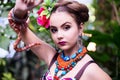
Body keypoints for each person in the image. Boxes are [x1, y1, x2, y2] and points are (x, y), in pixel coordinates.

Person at [8, 0, 112, 80]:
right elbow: (19, 27)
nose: (59, 35)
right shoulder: (51, 57)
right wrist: (19, 11)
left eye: (66, 27)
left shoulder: (91, 70)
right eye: (54, 30)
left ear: (80, 28)